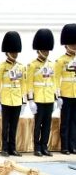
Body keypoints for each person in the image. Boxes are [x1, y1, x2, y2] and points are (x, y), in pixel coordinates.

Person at [0, 31, 26, 157]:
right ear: (7, 52)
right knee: (5, 126)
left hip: (17, 100)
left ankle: (13, 148)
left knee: (14, 126)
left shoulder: (21, 67)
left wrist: (24, 101)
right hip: (6, 99)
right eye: (13, 52)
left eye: (16, 52)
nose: (15, 54)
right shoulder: (2, 67)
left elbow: (23, 84)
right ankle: (4, 148)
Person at [27, 29, 56, 157]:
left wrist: (55, 98)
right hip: (38, 99)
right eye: (44, 50)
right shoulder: (32, 65)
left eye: (47, 50)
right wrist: (31, 100)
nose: (46, 53)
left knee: (47, 125)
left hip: (49, 98)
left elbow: (53, 82)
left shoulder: (52, 65)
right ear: (38, 51)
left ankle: (44, 146)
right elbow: (29, 84)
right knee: (38, 125)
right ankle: (37, 147)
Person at [54, 23, 76, 154]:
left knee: (74, 122)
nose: (74, 46)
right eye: (72, 44)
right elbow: (56, 79)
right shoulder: (60, 61)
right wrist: (57, 96)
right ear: (66, 44)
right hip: (65, 94)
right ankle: (65, 146)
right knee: (65, 122)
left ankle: (73, 145)